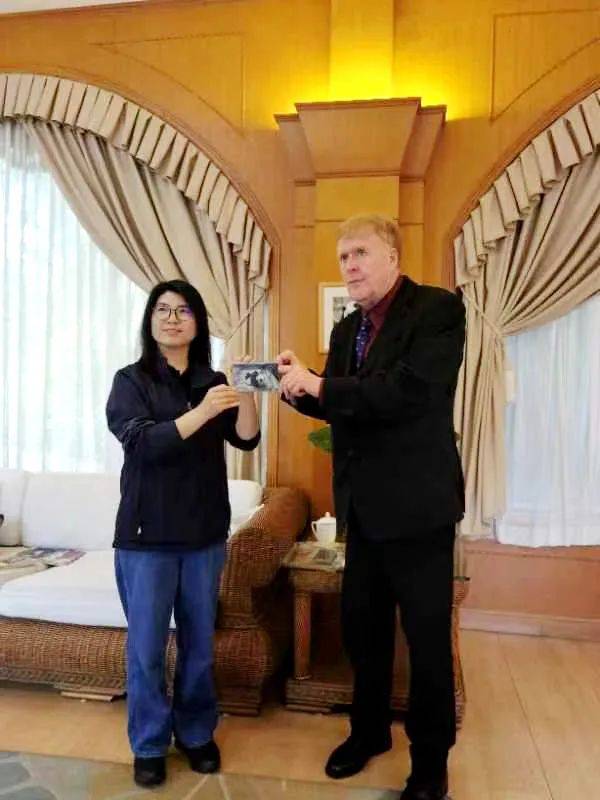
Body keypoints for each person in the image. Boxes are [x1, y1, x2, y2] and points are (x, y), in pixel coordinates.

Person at [278, 215, 465, 800]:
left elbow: (408, 392)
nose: (350, 266)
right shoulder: (346, 330)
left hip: (420, 512)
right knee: (364, 632)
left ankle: (430, 764)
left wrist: (321, 386)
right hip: (362, 512)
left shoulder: (437, 310)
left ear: (393, 256)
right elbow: (343, 405)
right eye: (343, 257)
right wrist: (297, 389)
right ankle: (369, 733)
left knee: (427, 644)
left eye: (360, 252)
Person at [106, 279, 260, 788]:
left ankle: (196, 734)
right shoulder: (130, 381)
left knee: (199, 647)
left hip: (204, 536)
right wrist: (203, 411)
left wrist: (245, 393)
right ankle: (149, 744)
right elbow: (144, 443)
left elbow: (246, 438)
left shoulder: (212, 380)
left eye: (183, 311)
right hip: (146, 538)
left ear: (198, 323)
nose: (172, 319)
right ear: (150, 321)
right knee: (146, 650)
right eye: (163, 310)